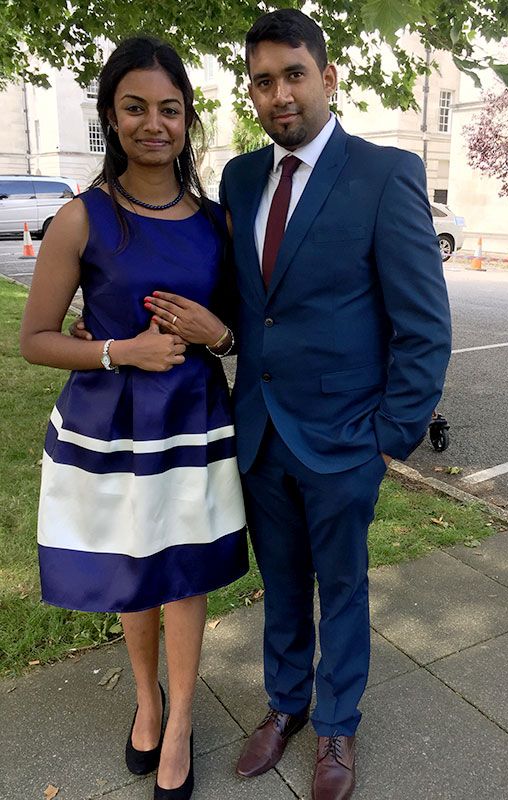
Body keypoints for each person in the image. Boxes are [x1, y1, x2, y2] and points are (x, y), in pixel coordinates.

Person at [88, 9, 450, 798]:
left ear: (328, 77)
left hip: (346, 438)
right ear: (249, 92)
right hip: (258, 430)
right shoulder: (242, 178)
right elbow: (240, 303)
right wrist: (113, 316)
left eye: (294, 74)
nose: (279, 93)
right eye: (262, 80)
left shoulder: (385, 175)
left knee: (343, 584)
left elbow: (424, 329)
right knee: (281, 582)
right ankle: (286, 706)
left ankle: (337, 729)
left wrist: (388, 440)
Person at [20, 36, 248, 800]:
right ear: (111, 118)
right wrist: (119, 350)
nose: (155, 124)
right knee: (133, 571)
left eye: (170, 110)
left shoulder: (218, 224)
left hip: (192, 420)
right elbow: (37, 340)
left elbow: (245, 325)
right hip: (110, 422)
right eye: (136, 108)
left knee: (183, 574)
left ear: (188, 120)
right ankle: (145, 699)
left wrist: (218, 335)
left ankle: (180, 718)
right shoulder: (81, 218)